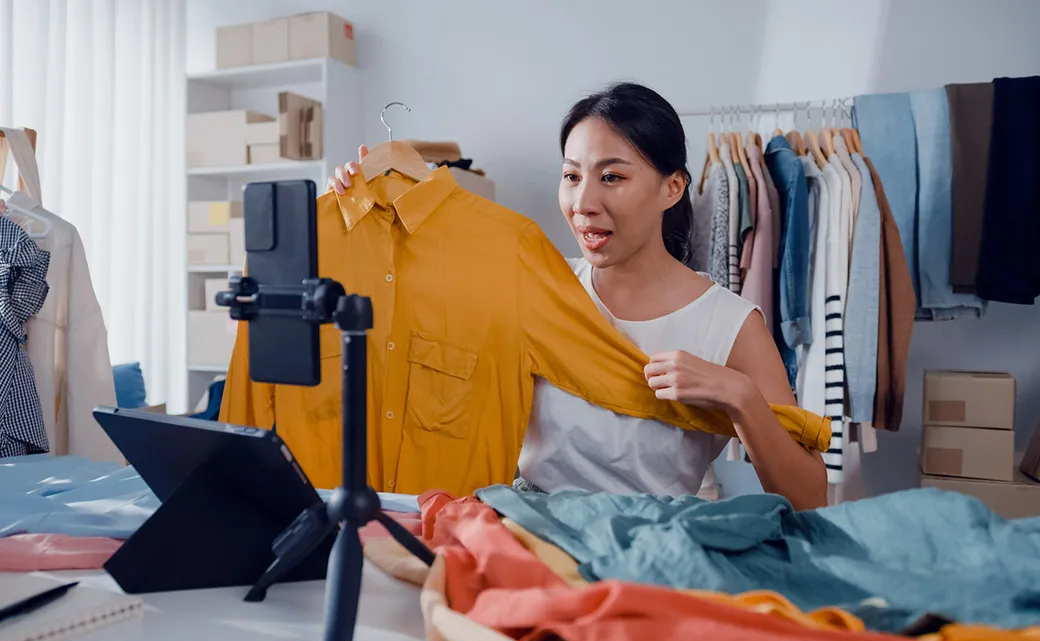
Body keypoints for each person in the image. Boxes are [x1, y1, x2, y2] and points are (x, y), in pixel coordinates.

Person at [328, 82, 827, 510]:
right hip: (523, 541)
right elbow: (412, 305)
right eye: (571, 176)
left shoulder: (732, 326)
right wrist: (362, 210)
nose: (583, 204)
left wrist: (738, 397)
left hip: (649, 559)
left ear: (672, 188)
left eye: (612, 177)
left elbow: (810, 500)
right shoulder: (534, 287)